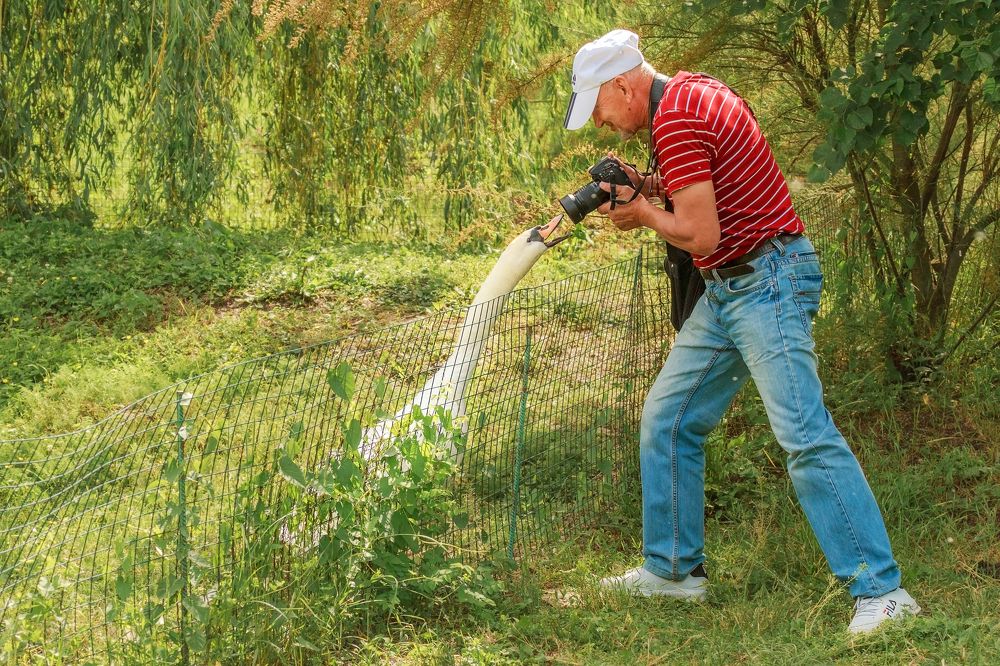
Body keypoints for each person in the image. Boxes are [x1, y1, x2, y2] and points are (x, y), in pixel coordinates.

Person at [562, 29, 920, 634]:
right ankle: (674, 573)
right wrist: (648, 188)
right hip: (735, 286)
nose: (598, 121)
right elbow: (713, 196)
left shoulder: (674, 119)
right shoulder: (693, 95)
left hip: (765, 279)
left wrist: (644, 213)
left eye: (597, 105)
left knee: (804, 434)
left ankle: (883, 593)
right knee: (668, 418)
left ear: (623, 85)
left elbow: (701, 236)